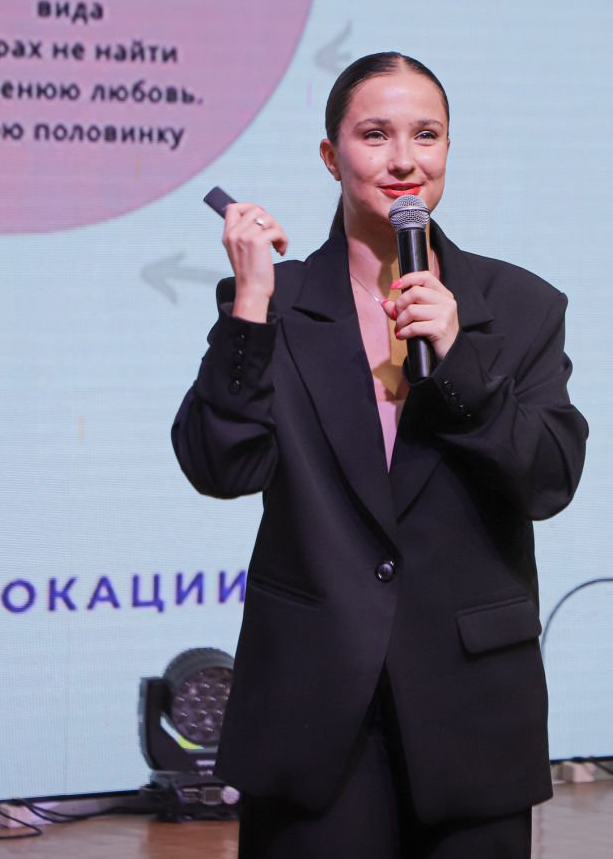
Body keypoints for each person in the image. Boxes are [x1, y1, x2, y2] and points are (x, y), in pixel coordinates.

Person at [171, 52, 588, 859]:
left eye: (426, 135)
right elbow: (219, 467)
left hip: (471, 705)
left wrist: (460, 360)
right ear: (332, 156)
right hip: (313, 705)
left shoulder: (519, 306)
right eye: (375, 134)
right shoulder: (279, 303)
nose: (404, 159)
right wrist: (251, 302)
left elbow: (550, 478)